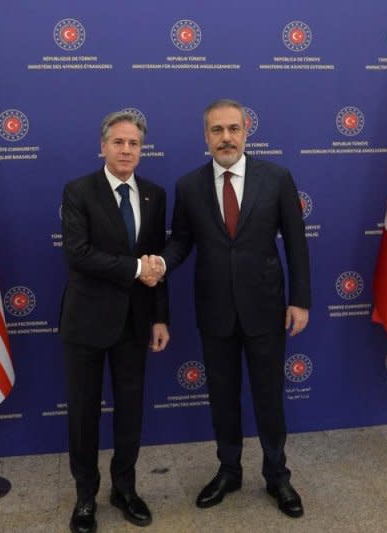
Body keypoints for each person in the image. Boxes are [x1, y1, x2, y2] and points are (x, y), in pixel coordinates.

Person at [153, 98, 311, 518]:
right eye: (217, 130)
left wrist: (300, 300)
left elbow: (296, 242)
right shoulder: (188, 186)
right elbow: (182, 241)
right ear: (205, 137)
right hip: (215, 311)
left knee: (268, 399)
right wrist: (161, 262)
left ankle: (277, 475)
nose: (226, 138)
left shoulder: (276, 178)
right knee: (222, 397)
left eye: (233, 129)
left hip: (266, 310)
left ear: (246, 132)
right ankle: (229, 470)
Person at [60, 111, 170, 533]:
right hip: (85, 323)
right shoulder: (79, 191)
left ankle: (125, 489)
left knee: (130, 412)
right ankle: (85, 496)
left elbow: (156, 261)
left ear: (142, 150)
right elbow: (78, 254)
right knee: (84, 414)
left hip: (135, 323)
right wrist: (132, 270)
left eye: (134, 144)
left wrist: (160, 317)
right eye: (119, 142)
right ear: (103, 146)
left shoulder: (154, 195)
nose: (126, 150)